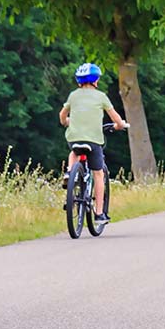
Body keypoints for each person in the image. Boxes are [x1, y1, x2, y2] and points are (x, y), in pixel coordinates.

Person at [59, 63, 127, 225]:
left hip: (74, 138)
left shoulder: (73, 95)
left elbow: (62, 114)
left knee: (74, 151)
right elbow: (116, 118)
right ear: (96, 80)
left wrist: (66, 122)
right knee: (98, 173)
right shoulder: (101, 96)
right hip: (94, 140)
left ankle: (70, 173)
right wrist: (119, 126)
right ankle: (99, 213)